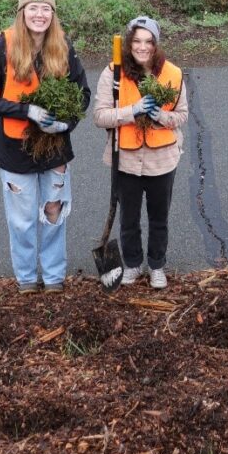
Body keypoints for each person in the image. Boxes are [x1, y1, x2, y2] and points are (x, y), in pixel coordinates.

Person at [0, 0, 90, 294]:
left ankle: (52, 279)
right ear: (22, 12)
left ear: (53, 14)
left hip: (55, 149)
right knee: (22, 221)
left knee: (53, 212)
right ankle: (25, 280)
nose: (39, 15)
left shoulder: (63, 48)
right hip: (15, 149)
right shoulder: (3, 46)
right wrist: (26, 111)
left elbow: (82, 94)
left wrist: (66, 124)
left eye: (46, 9)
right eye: (33, 9)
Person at [92, 16, 188, 289]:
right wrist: (131, 112)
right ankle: (132, 264)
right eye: (137, 41)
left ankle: (157, 266)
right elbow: (100, 116)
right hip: (126, 159)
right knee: (129, 219)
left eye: (149, 41)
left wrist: (162, 117)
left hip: (163, 159)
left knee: (159, 218)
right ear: (128, 43)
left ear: (156, 45)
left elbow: (182, 115)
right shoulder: (113, 73)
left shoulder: (173, 73)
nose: (142, 47)